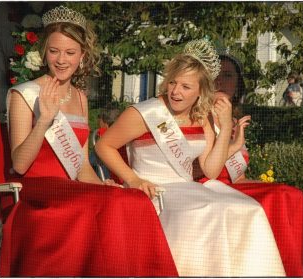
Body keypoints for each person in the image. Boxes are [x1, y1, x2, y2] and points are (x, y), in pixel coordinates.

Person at [0, 6, 178, 276]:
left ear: (82, 56)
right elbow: (21, 165)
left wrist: (101, 184)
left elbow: (81, 165)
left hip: (70, 187)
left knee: (129, 200)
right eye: (54, 51)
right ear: (44, 51)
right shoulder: (23, 94)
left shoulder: (81, 97)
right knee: (102, 205)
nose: (61, 60)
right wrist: (44, 120)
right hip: (36, 189)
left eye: (70, 53)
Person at [96, 39, 286, 276]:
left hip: (187, 188)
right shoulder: (145, 113)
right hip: (153, 190)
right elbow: (104, 145)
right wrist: (133, 180)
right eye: (173, 83)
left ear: (201, 90)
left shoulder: (202, 117)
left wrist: (226, 126)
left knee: (247, 208)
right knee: (206, 210)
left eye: (186, 87)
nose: (175, 92)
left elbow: (211, 171)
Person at [197, 53, 303, 276]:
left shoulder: (233, 120)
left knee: (292, 195)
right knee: (278, 197)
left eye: (228, 75)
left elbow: (238, 176)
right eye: (215, 75)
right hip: (208, 187)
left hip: (232, 187)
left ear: (238, 85)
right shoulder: (200, 115)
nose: (220, 80)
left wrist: (266, 183)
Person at [89, 107, 121, 180]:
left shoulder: (103, 134)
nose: (98, 125)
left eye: (99, 122)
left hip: (108, 178)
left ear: (105, 123)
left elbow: (91, 161)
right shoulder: (125, 134)